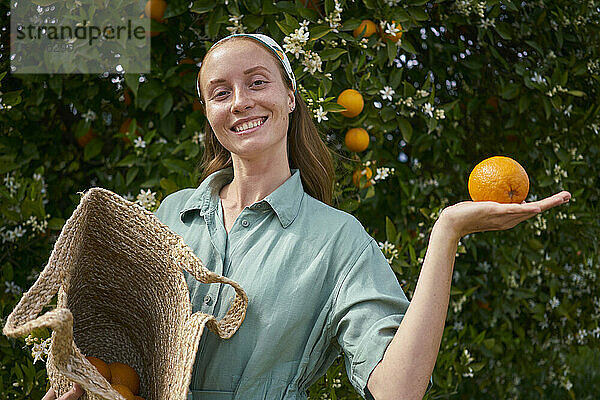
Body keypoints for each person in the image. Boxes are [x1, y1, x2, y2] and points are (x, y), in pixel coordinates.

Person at [42, 33, 571, 400]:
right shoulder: (172, 215)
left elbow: (396, 390)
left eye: (257, 83)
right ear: (208, 113)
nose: (240, 102)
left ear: (290, 97)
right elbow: (126, 352)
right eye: (220, 93)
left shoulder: (338, 240)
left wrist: (446, 232)